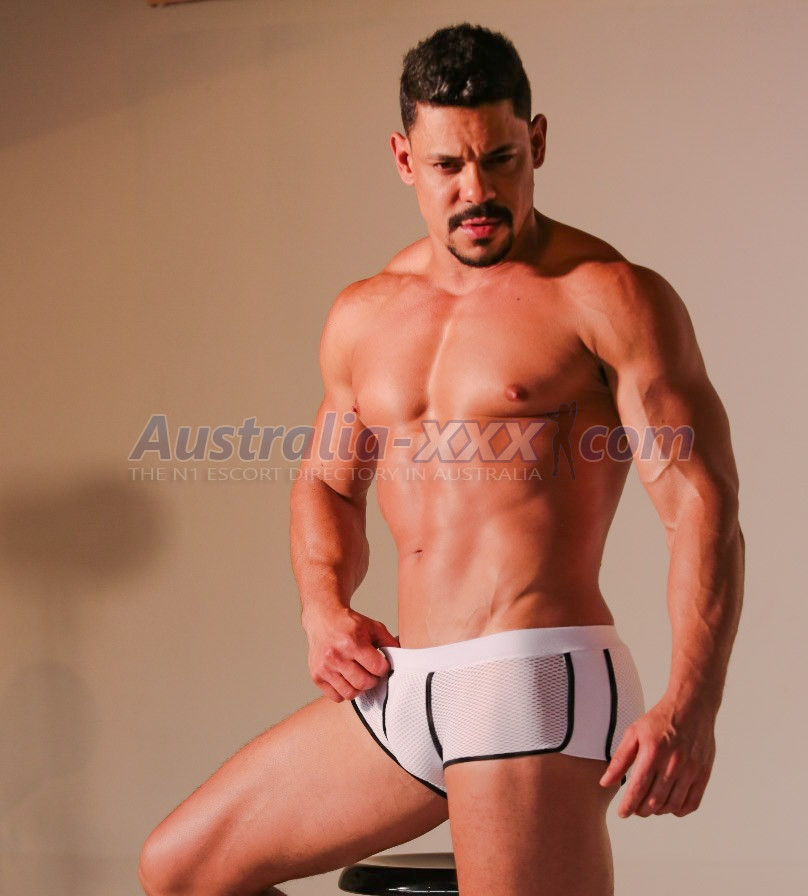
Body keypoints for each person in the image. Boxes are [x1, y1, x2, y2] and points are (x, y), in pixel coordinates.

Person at [138, 22, 744, 896]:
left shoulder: (606, 297)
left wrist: (692, 703)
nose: (476, 190)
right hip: (405, 686)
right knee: (181, 871)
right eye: (447, 166)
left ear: (537, 142)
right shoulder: (367, 314)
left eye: (500, 159)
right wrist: (322, 607)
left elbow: (700, 508)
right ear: (403, 159)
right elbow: (327, 483)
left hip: (531, 677)